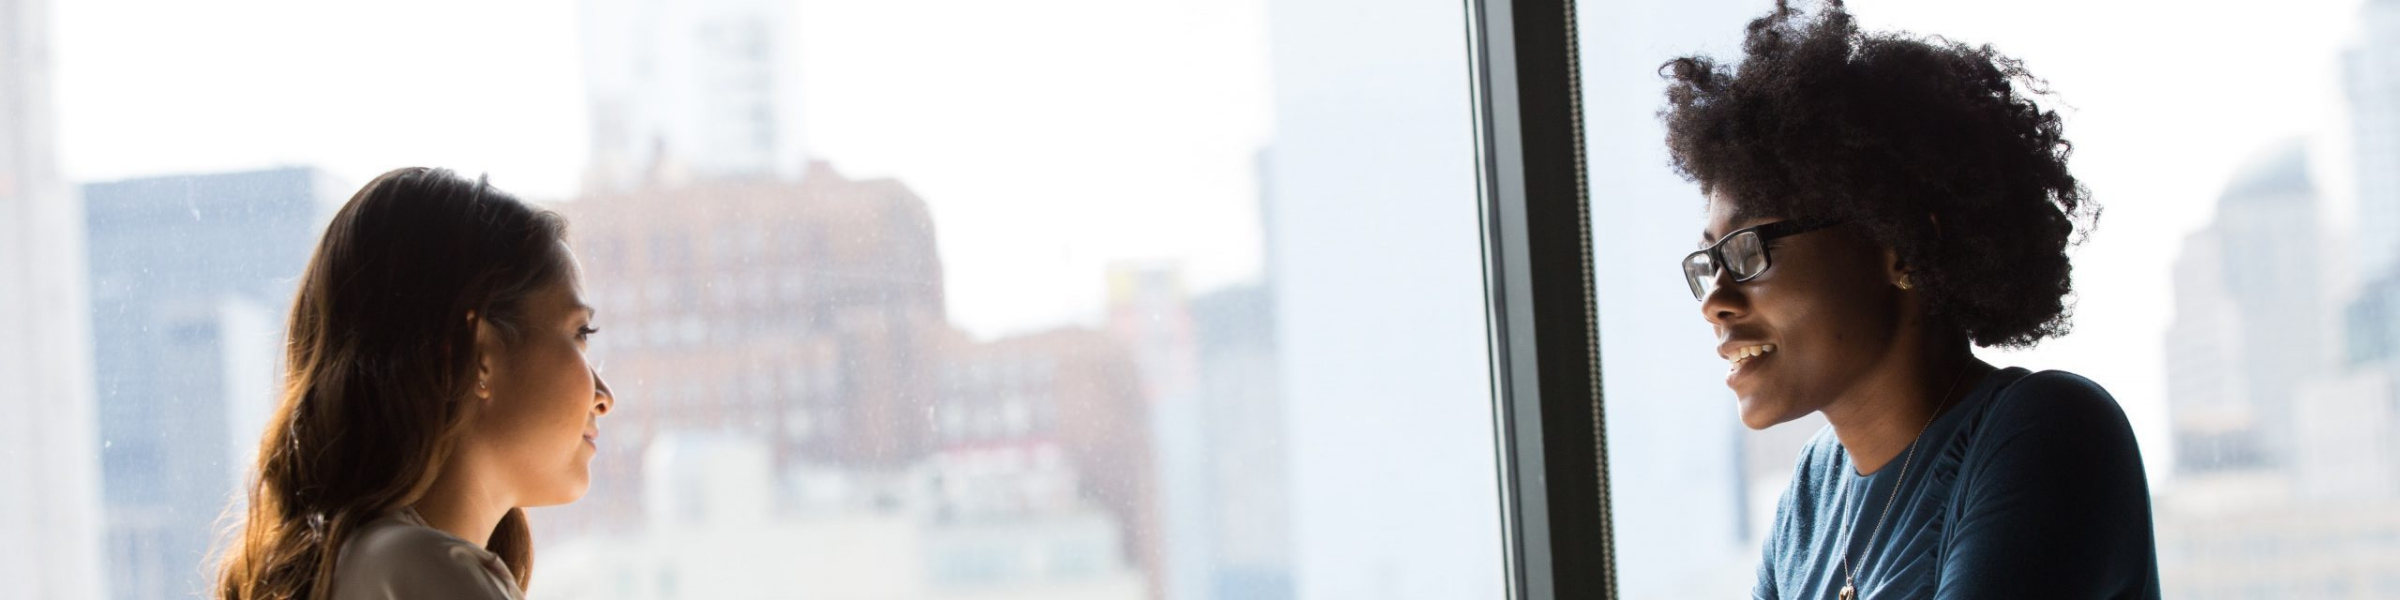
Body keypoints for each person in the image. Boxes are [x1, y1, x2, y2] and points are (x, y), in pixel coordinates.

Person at [1658, 2, 2161, 598]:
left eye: (1746, 250)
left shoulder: (2048, 431)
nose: (1714, 300)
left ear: (1898, 244)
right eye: (1708, 263)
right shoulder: (1812, 497)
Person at [214, 167, 614, 600]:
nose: (604, 397)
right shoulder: (425, 569)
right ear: (477, 353)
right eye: (579, 333)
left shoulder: (362, 561)